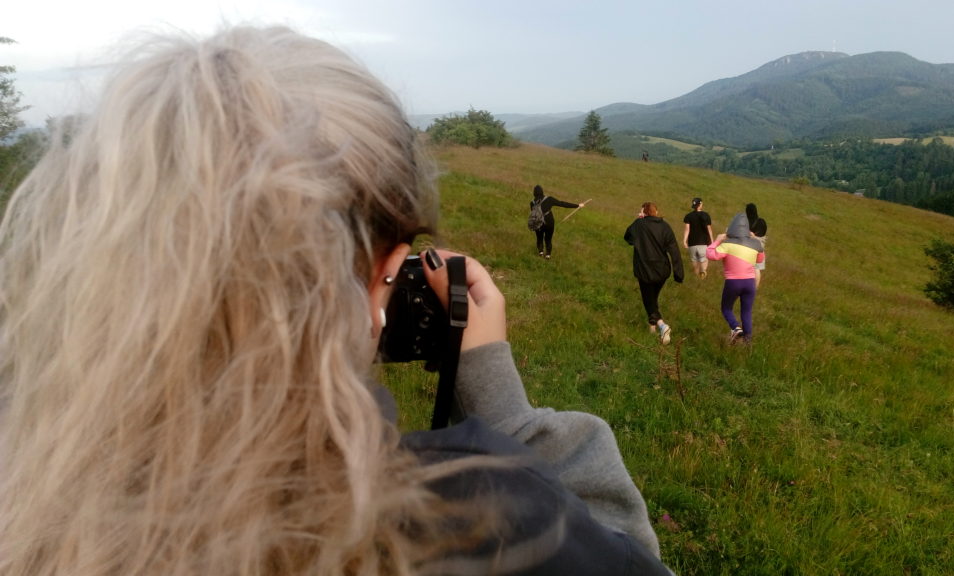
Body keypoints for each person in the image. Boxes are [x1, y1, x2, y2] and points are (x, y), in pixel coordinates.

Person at [0, 26, 671, 576]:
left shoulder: (29, 491)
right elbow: (624, 555)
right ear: (382, 271)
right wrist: (505, 407)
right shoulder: (490, 521)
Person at [624, 202, 684, 345]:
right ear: (656, 212)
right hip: (662, 271)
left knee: (648, 300)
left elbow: (628, 238)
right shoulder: (665, 226)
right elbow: (674, 250)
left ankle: (662, 326)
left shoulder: (639, 225)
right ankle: (652, 329)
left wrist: (638, 220)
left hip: (645, 269)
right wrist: (678, 273)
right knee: (653, 298)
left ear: (643, 212)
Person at [707, 211, 766, 344]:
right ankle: (748, 342)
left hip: (733, 283)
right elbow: (760, 258)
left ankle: (736, 328)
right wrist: (754, 239)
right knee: (746, 312)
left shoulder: (727, 244)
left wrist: (717, 240)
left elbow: (710, 255)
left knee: (726, 308)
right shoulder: (756, 245)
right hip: (750, 283)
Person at [530, 185, 585, 259]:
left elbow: (533, 214)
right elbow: (562, 204)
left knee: (539, 238)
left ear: (534, 193)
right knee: (548, 239)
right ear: (542, 191)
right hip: (549, 223)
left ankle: (540, 252)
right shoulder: (549, 199)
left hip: (538, 223)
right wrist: (577, 205)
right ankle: (548, 255)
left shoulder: (532, 203)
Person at [682, 197, 714, 280]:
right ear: (700, 204)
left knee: (694, 261)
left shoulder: (688, 216)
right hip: (703, 243)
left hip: (692, 243)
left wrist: (684, 241)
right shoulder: (706, 215)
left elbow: (687, 229)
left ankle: (696, 278)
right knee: (704, 259)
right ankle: (703, 273)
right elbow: (709, 229)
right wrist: (712, 241)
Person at [751, 217, 768, 288]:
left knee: (756, 268)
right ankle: (754, 287)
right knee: (757, 268)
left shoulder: (752, 240)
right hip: (761, 251)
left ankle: (754, 287)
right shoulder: (761, 242)